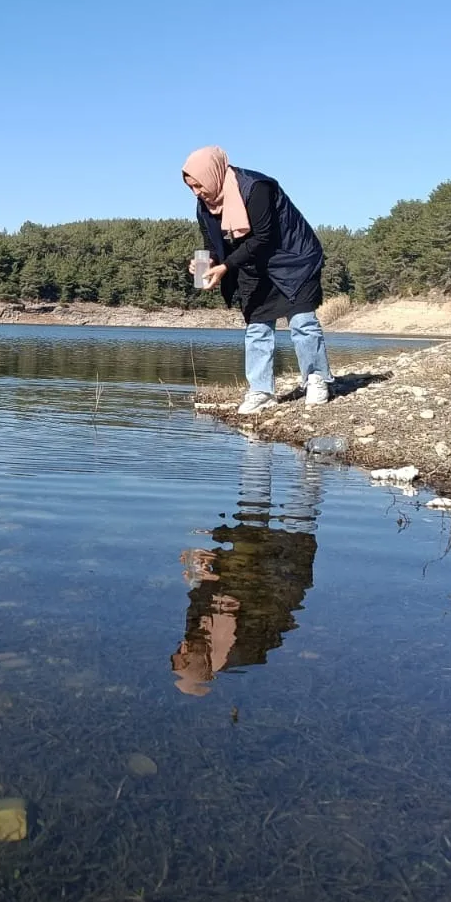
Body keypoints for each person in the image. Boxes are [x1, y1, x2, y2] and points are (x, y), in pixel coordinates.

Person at [181, 146, 333, 415]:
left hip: (293, 258)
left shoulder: (256, 187)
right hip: (253, 266)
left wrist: (227, 266)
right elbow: (212, 243)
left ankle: (317, 379)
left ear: (212, 173)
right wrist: (211, 262)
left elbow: (263, 237)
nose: (197, 192)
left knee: (302, 322)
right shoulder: (205, 204)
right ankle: (261, 391)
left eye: (199, 185)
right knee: (257, 328)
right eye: (191, 187)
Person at [170, 441, 321, 696]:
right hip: (283, 572)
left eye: (178, 653)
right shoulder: (239, 647)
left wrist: (202, 569)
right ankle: (316, 458)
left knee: (252, 512)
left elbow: (205, 594)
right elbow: (243, 599)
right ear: (201, 663)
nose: (182, 646)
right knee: (298, 515)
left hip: (252, 567)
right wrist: (215, 575)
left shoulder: (197, 633)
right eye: (185, 658)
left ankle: (259, 442)